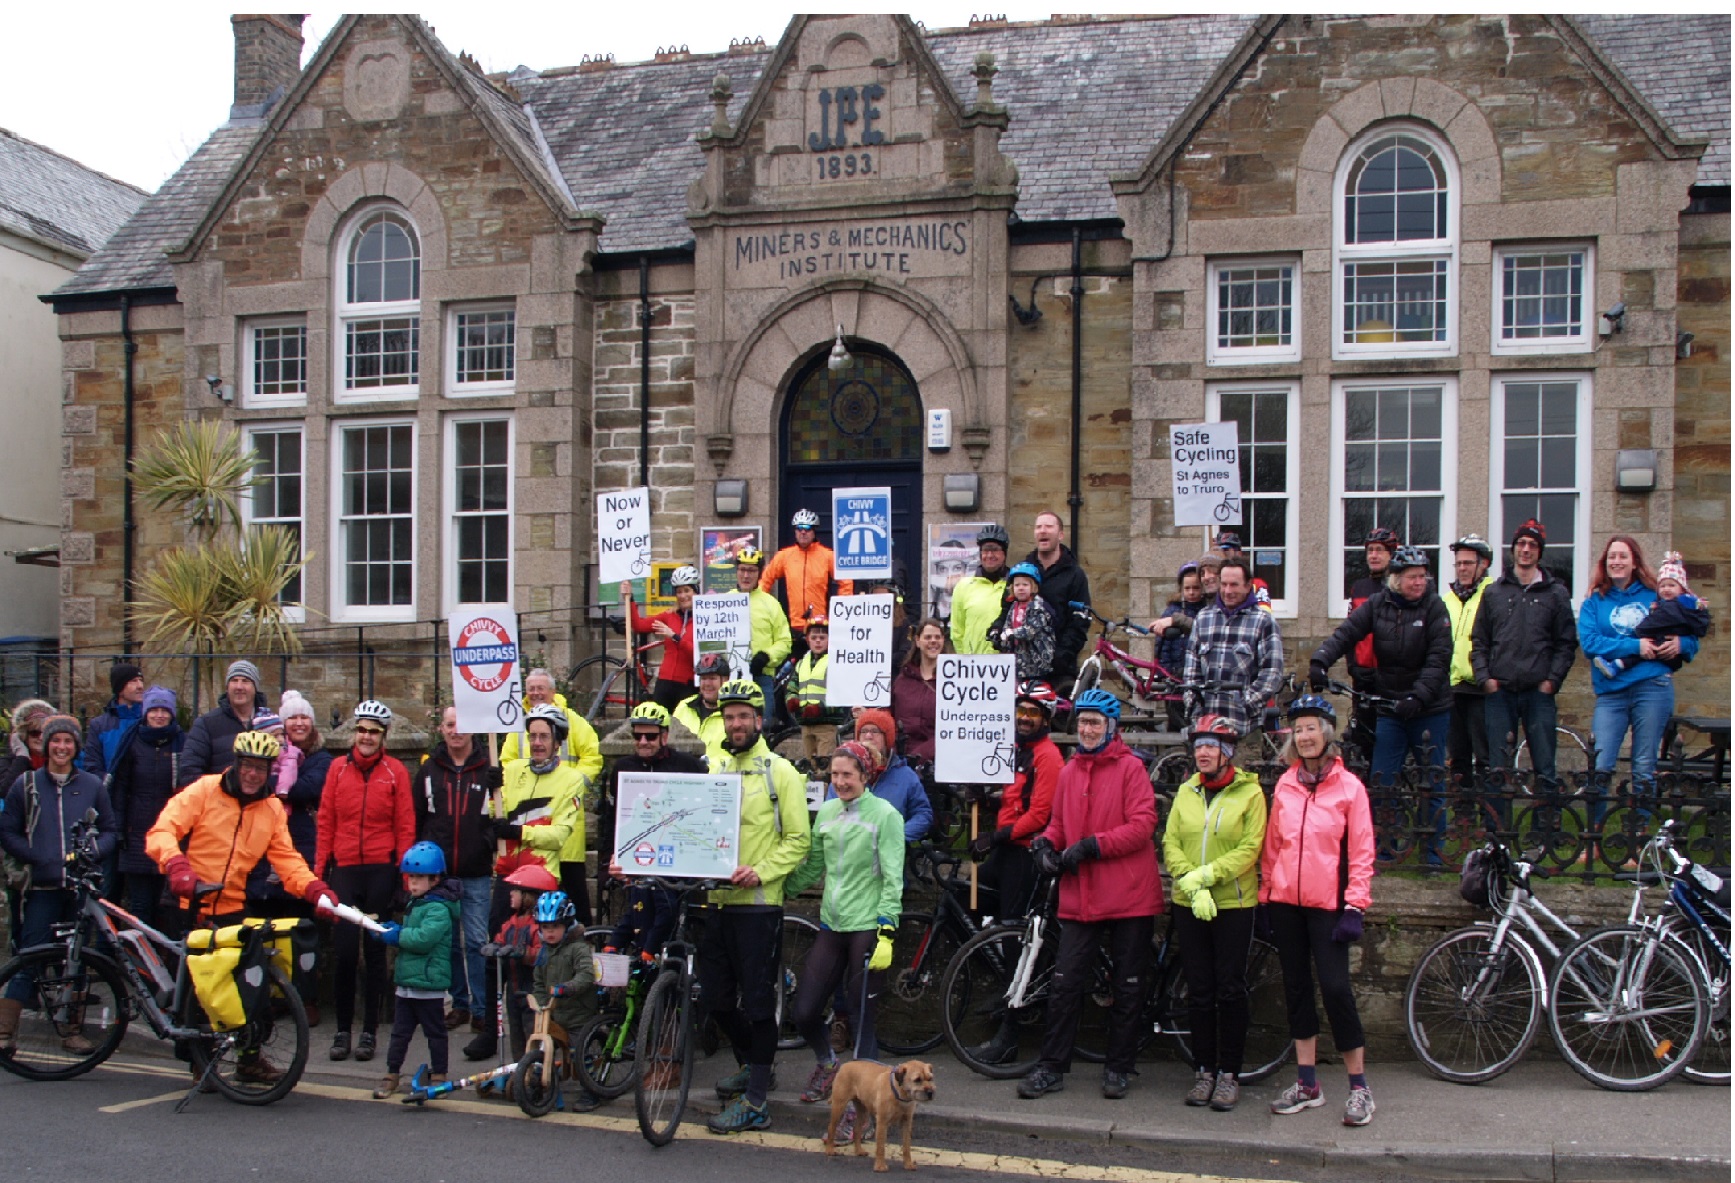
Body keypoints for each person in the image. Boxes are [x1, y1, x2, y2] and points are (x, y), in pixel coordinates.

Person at [1016, 690, 1159, 1101]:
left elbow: (1142, 825)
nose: (1088, 729)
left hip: (1129, 892)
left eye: (1096, 722)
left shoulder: (1131, 769)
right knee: (1064, 982)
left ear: (1111, 727)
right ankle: (1052, 1066)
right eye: (1082, 722)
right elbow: (1059, 824)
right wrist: (1045, 844)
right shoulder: (1070, 771)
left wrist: (1093, 846)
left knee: (1128, 984)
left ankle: (1119, 1066)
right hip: (1081, 894)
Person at [1261, 695, 1377, 1127]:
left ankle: (1359, 1086)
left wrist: (1355, 906)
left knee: (1336, 990)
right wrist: (1266, 896)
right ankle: (1308, 1083)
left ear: (1326, 734)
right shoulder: (1286, 785)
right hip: (1287, 903)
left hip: (1330, 907)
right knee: (1296, 990)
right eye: (1298, 729)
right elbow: (1274, 846)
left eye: (1312, 727)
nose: (1305, 736)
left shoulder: (1350, 789)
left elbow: (1362, 852)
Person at [703, 678, 811, 1134]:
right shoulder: (714, 767)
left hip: (758, 906)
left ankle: (757, 1099)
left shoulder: (780, 772)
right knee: (715, 1000)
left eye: (744, 715)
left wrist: (761, 872)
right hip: (714, 903)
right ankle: (753, 1062)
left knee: (760, 1006)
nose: (736, 723)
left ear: (759, 720)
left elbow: (798, 840)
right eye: (729, 717)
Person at [1310, 547, 1451, 862]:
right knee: (1383, 777)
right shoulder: (1378, 605)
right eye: (1412, 577)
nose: (1419, 583)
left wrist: (1418, 696)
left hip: (1429, 709)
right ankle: (1385, 846)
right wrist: (1320, 661)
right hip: (1391, 706)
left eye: (1423, 577)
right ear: (1396, 580)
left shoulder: (1435, 607)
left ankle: (1434, 851)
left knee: (1431, 777)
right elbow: (1346, 634)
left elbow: (1439, 658)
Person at [464, 702, 584, 1062]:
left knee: (536, 960)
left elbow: (561, 834)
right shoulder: (511, 769)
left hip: (542, 881)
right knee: (494, 957)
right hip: (505, 876)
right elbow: (490, 815)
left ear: (559, 741)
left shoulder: (572, 779)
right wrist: (487, 795)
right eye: (532, 736)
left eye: (544, 737)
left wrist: (520, 832)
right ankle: (489, 1031)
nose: (537, 743)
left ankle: (543, 1032)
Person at [788, 740, 905, 1108]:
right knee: (804, 1011)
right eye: (834, 774)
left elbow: (892, 877)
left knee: (861, 1019)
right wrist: (777, 886)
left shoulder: (885, 815)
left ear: (865, 776)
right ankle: (827, 1064)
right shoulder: (825, 813)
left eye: (847, 775)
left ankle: (865, 1105)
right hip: (832, 924)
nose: (839, 781)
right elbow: (812, 866)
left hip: (868, 926)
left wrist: (887, 929)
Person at [1162, 715, 1267, 1112]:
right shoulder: (1186, 791)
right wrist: (1188, 877)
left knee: (1230, 988)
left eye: (1211, 746)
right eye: (1199, 745)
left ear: (1227, 754)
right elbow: (1171, 840)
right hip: (1191, 902)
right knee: (1200, 989)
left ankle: (1229, 1074)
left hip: (1233, 902)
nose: (1203, 752)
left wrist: (1209, 874)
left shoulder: (1250, 793)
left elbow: (1250, 847)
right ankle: (1204, 1070)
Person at [0, 715, 118, 1054]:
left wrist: (91, 851)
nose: (62, 747)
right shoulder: (27, 784)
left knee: (77, 960)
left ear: (76, 747)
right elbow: (7, 831)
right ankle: (6, 1032)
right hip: (41, 888)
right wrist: (34, 854)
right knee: (29, 957)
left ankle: (71, 1031)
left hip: (80, 888)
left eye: (68, 742)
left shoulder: (92, 785)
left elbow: (111, 830)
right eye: (56, 741)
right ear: (47, 745)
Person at [314, 699, 415, 1064]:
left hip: (380, 869)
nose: (367, 736)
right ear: (355, 733)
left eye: (374, 731)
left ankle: (370, 1030)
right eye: (362, 730)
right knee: (342, 953)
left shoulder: (395, 773)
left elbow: (405, 826)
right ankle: (343, 1030)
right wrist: (318, 874)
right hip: (344, 868)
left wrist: (404, 878)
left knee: (375, 954)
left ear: (383, 736)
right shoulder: (337, 770)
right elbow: (325, 820)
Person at [1578, 536, 1698, 811]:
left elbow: (1693, 633)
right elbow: (1590, 644)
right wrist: (1635, 645)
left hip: (1652, 687)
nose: (1616, 562)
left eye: (1623, 556)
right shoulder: (1594, 602)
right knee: (1600, 764)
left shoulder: (1655, 594)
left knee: (1644, 766)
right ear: (1604, 563)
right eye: (1612, 557)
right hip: (1611, 692)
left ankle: (1639, 839)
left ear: (1634, 562)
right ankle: (1594, 835)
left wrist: (1682, 644)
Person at [1470, 520, 1578, 798]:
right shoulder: (1494, 591)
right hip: (1500, 692)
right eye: (1521, 544)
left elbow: (1565, 643)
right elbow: (1479, 640)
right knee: (1498, 768)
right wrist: (1485, 679)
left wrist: (1552, 681)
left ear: (1540, 552)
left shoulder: (1556, 594)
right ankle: (1498, 836)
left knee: (1545, 766)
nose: (1526, 550)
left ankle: (1545, 834)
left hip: (1538, 693)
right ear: (1513, 549)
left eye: (1532, 545)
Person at [416, 705, 504, 1036]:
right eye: (450, 724)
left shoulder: (489, 768)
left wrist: (500, 789)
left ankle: (482, 1009)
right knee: (449, 942)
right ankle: (461, 1004)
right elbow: (418, 816)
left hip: (476, 869)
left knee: (477, 941)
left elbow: (502, 816)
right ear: (441, 728)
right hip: (439, 874)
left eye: (462, 724)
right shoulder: (428, 771)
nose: (457, 730)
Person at [603, 703, 709, 959]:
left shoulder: (687, 765)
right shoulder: (622, 768)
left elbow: (704, 809)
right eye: (637, 736)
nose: (643, 742)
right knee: (637, 922)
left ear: (664, 736)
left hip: (678, 862)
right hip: (640, 861)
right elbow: (613, 818)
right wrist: (612, 857)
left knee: (671, 922)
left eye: (650, 736)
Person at [969, 681, 1063, 929]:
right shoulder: (1018, 748)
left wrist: (993, 838)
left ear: (1045, 718)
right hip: (1006, 849)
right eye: (1020, 711)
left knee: (1011, 925)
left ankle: (1012, 966)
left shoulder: (1049, 756)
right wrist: (985, 801)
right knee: (966, 899)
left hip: (1025, 854)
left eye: (1032, 713)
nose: (1024, 718)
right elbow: (1015, 802)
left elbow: (1039, 816)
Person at [370, 841, 459, 1099]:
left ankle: (440, 1074)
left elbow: (422, 939)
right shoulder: (417, 903)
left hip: (429, 984)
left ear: (434, 879)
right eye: (410, 877)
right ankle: (392, 1073)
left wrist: (396, 935)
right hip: (408, 984)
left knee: (435, 1033)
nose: (413, 883)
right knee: (400, 1034)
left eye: (419, 877)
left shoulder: (439, 909)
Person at [107, 685, 184, 932]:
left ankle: (167, 966)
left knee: (168, 907)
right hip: (137, 834)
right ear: (146, 713)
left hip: (173, 836)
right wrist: (119, 830)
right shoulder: (131, 743)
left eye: (165, 710)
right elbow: (119, 789)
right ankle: (141, 967)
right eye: (154, 710)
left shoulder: (182, 744)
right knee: (140, 906)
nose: (159, 715)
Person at [1184, 557, 1285, 737]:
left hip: (1244, 728)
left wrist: (1245, 704)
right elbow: (1192, 669)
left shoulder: (1263, 621)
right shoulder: (1203, 618)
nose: (1228, 591)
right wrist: (1193, 704)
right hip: (1204, 728)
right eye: (1224, 584)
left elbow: (1272, 673)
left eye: (1234, 585)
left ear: (1248, 586)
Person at [528, 890, 602, 1110]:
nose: (550, 933)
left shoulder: (578, 948)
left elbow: (587, 975)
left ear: (567, 925)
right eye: (545, 928)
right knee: (541, 1046)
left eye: (555, 927)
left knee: (581, 1053)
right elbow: (539, 982)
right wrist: (541, 1002)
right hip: (555, 1013)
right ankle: (539, 1083)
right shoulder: (544, 953)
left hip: (579, 1014)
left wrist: (567, 988)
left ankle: (592, 1091)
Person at [1595, 551, 1710, 677]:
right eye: (1662, 586)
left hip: (1661, 660)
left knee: (1645, 649)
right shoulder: (1659, 602)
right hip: (1658, 650)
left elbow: (1693, 639)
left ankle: (1618, 665)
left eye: (1672, 585)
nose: (1666, 589)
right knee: (1643, 650)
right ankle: (1617, 666)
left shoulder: (1679, 603)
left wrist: (1681, 643)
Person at [1442, 535, 1494, 786]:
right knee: (1458, 755)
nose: (1462, 569)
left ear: (1483, 564)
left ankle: (1488, 812)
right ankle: (1464, 812)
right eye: (1458, 563)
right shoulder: (1447, 599)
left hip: (1480, 688)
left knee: (1485, 755)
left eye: (1468, 563)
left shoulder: (1493, 594)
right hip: (1452, 688)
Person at [1344, 528, 1400, 762]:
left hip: (1391, 675)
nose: (1373, 556)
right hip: (1363, 675)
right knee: (1363, 737)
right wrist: (1352, 664)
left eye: (1379, 550)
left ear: (1391, 555)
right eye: (1370, 551)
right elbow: (1350, 630)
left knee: (1390, 736)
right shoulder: (1359, 588)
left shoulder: (1399, 587)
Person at [498, 669, 603, 786]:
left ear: (553, 692)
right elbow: (508, 761)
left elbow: (592, 756)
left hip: (564, 796)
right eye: (531, 689)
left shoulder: (572, 720)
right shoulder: (519, 725)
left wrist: (575, 784)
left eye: (540, 688)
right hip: (528, 796)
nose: (536, 693)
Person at [1024, 511, 1092, 689]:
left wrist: (1060, 657)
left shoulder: (1075, 575)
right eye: (1038, 527)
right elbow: (1007, 607)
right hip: (1024, 668)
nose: (1043, 531)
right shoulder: (1022, 571)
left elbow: (1079, 622)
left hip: (1060, 671)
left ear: (1060, 534)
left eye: (1049, 526)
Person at [761, 509, 854, 636]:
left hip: (819, 623)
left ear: (814, 531)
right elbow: (766, 580)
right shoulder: (784, 556)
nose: (803, 532)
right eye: (799, 528)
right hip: (793, 624)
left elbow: (846, 582)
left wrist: (840, 612)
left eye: (807, 528)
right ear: (795, 531)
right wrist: (762, 607)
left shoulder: (827, 556)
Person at [622, 565, 700, 711]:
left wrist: (675, 637)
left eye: (687, 590)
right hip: (664, 682)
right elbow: (639, 625)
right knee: (659, 726)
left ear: (696, 591)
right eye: (679, 592)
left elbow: (698, 654)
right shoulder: (669, 616)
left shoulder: (704, 619)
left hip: (688, 684)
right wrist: (630, 598)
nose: (683, 596)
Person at [848, 708, 932, 842]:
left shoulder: (906, 776)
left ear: (887, 738)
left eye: (875, 731)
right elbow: (831, 811)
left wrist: (898, 837)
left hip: (890, 853)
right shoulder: (845, 775)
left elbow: (922, 814)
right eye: (863, 731)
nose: (868, 736)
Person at [180, 659, 267, 785]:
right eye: (234, 681)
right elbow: (189, 772)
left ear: (255, 688)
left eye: (245, 681)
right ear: (227, 687)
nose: (239, 687)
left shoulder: (270, 723)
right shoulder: (206, 724)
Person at [733, 546, 795, 717]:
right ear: (736, 571)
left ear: (759, 573)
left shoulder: (770, 603)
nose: (746, 575)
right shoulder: (724, 600)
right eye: (743, 570)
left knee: (763, 726)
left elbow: (785, 641)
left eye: (752, 571)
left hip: (761, 676)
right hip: (731, 676)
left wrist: (766, 656)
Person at [1151, 562, 1208, 731]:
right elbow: (1162, 644)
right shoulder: (1172, 611)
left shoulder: (1205, 611)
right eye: (1187, 588)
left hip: (1196, 670)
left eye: (1196, 588)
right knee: (1175, 713)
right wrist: (1164, 670)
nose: (1191, 592)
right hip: (1175, 670)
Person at [788, 617, 846, 763]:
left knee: (824, 766)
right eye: (814, 637)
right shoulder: (802, 663)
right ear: (808, 640)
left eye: (822, 637)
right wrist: (792, 700)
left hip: (826, 724)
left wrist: (819, 709)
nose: (818, 641)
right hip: (805, 723)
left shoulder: (835, 662)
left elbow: (840, 693)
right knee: (809, 766)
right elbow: (792, 686)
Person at [988, 562, 1058, 684]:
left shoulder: (1038, 606)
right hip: (1017, 663)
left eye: (1025, 585)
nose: (1020, 588)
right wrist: (998, 637)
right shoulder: (1014, 606)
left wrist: (1011, 633)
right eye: (1017, 585)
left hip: (1036, 664)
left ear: (1033, 587)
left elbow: (1031, 630)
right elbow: (1007, 626)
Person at [949, 524, 1012, 655]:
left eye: (995, 550)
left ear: (1004, 553)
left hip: (1007, 665)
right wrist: (965, 659)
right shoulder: (964, 586)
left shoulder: (1014, 586)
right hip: (974, 667)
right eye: (985, 550)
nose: (989, 555)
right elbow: (957, 632)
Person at [892, 617, 947, 765]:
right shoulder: (902, 680)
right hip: (903, 760)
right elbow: (890, 717)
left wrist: (921, 754)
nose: (933, 641)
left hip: (940, 761)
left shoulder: (954, 681)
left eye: (937, 637)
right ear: (917, 641)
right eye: (928, 637)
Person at [82, 660, 145, 779]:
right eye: (133, 681)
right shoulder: (100, 726)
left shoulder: (149, 721)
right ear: (119, 688)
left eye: (141, 680)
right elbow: (92, 766)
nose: (140, 686)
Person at [674, 650, 731, 755]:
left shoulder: (733, 711)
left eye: (712, 678)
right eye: (704, 678)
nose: (707, 684)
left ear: (726, 680)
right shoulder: (684, 706)